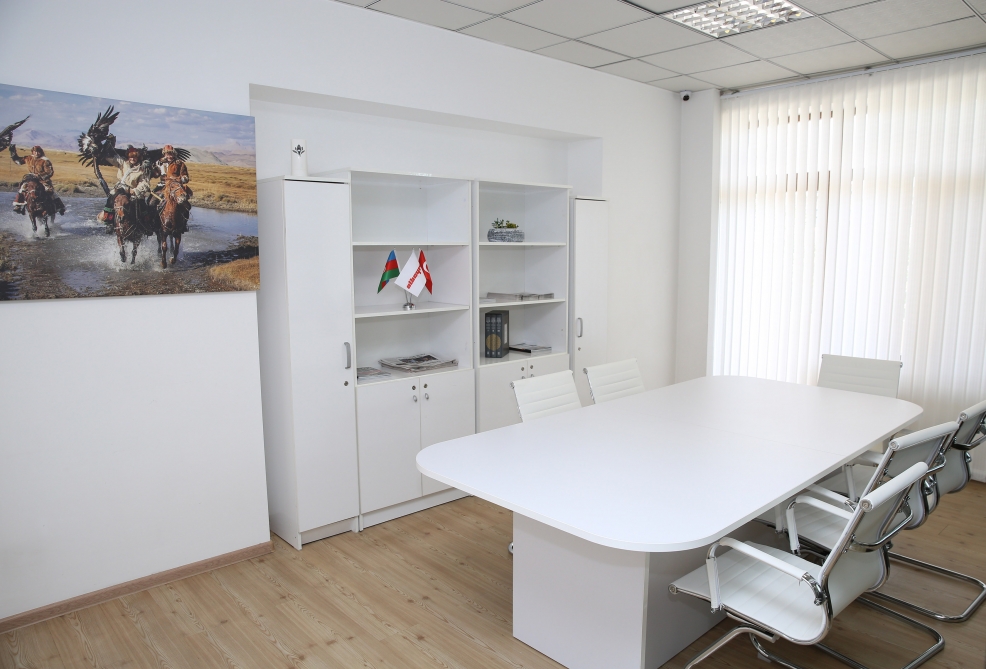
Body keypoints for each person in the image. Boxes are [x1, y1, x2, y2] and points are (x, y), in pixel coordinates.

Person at [10, 144, 66, 215]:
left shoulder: (45, 160)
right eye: (35, 152)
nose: (36, 153)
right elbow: (18, 161)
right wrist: (13, 152)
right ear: (32, 152)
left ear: (41, 152)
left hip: (43, 180)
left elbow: (50, 172)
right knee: (22, 188)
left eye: (38, 152)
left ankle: (60, 207)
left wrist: (39, 176)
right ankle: (18, 206)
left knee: (50, 191)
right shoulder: (29, 158)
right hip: (31, 179)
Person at [156, 144, 192, 218]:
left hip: (176, 186)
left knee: (186, 205)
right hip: (162, 186)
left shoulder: (179, 163)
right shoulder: (159, 163)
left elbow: (184, 175)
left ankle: (184, 220)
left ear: (174, 154)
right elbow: (155, 174)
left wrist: (183, 178)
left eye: (171, 154)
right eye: (167, 154)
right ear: (164, 154)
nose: (169, 156)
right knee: (151, 202)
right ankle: (153, 221)